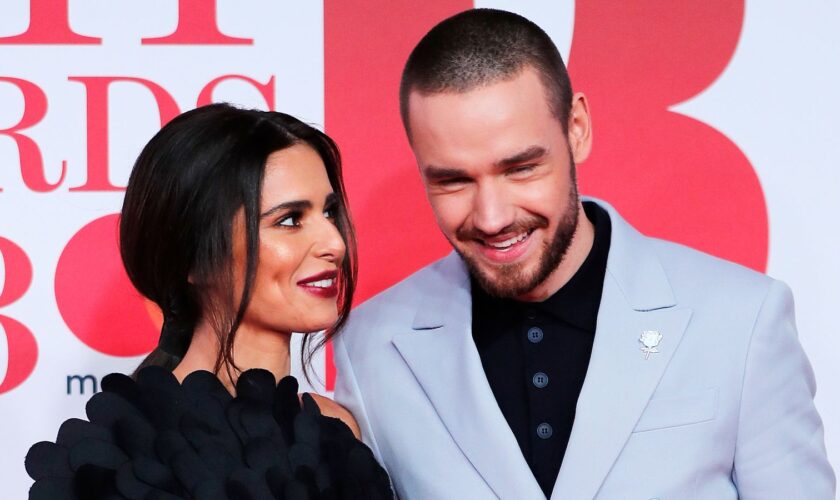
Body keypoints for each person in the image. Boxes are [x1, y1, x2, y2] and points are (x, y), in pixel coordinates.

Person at [333, 8, 835, 499]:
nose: (491, 216)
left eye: (521, 169)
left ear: (576, 129)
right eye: (453, 181)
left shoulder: (741, 320)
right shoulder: (372, 347)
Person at [25, 103, 392, 499]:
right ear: (194, 257)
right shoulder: (118, 460)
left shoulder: (338, 431)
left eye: (330, 211)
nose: (335, 244)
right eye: (289, 220)